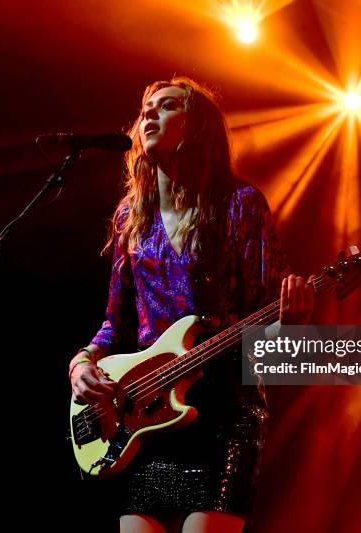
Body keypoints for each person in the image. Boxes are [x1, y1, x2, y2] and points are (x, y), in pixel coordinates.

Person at [68, 77, 314, 533]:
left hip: (224, 412)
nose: (149, 115)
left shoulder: (241, 205)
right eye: (146, 109)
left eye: (166, 106)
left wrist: (293, 325)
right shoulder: (129, 216)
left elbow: (267, 330)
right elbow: (113, 323)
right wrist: (81, 365)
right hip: (146, 417)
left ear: (196, 127)